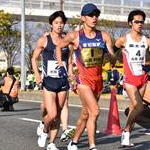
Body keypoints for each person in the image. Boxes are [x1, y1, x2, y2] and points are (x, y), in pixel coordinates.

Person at [56, 3, 115, 150]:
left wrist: (110, 55)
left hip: (98, 80)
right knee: (95, 111)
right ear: (83, 18)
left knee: (85, 114)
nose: (94, 17)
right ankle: (92, 146)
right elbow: (58, 47)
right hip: (83, 80)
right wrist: (61, 65)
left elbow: (113, 58)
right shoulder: (75, 36)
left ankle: (74, 141)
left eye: (96, 15)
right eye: (90, 15)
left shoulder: (104, 36)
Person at [32, 11, 72, 150]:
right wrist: (37, 75)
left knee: (58, 115)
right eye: (56, 23)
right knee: (53, 113)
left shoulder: (67, 40)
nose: (59, 25)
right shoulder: (44, 40)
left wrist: (71, 74)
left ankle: (51, 143)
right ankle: (44, 129)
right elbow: (33, 58)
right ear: (51, 24)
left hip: (62, 81)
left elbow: (70, 59)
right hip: (49, 81)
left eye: (61, 23)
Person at [114, 9, 150, 146]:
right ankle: (126, 131)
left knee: (134, 109)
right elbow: (112, 51)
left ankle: (126, 136)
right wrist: (112, 64)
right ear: (130, 23)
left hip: (142, 78)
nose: (140, 24)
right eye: (137, 21)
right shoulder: (124, 39)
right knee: (139, 108)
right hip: (130, 80)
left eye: (142, 21)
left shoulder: (146, 41)